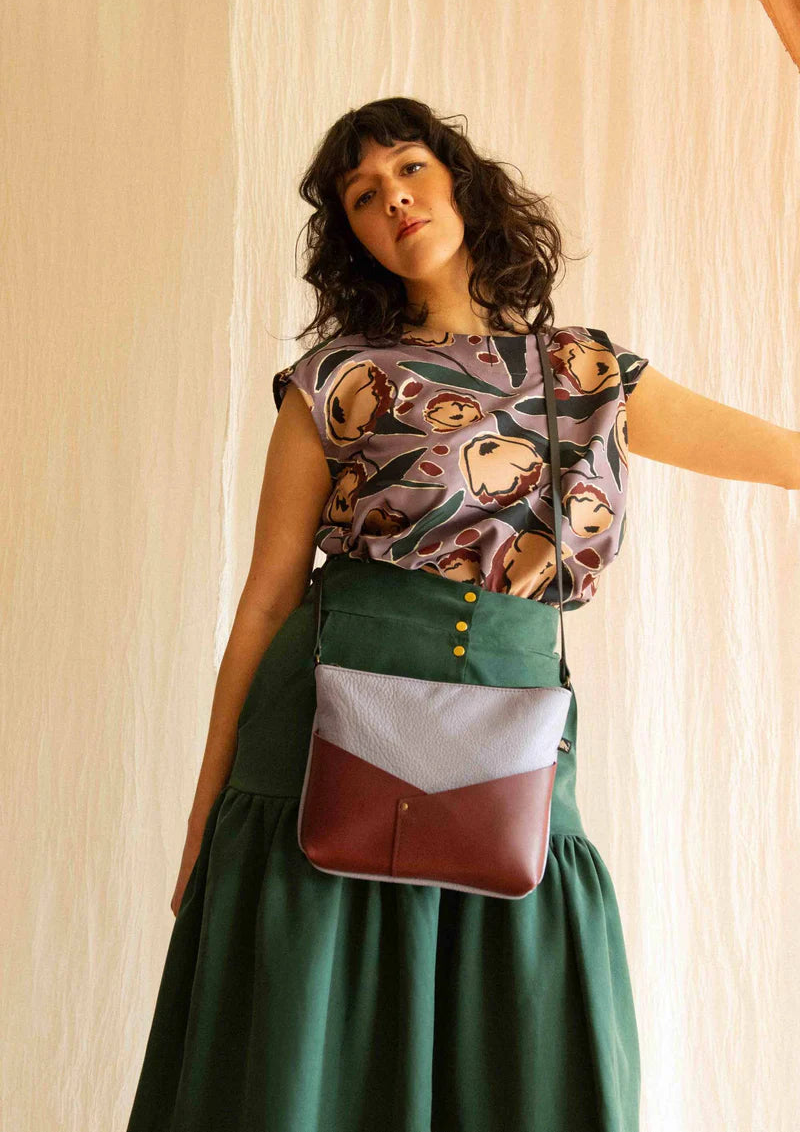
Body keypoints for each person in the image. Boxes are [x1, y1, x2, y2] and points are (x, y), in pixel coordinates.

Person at [124, 97, 800, 1132]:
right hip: (324, 731)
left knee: (529, 1038)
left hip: (509, 730)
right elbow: (265, 598)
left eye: (409, 168)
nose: (392, 198)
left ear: (459, 181)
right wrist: (202, 812)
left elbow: (783, 456)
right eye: (362, 194)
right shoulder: (337, 379)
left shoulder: (585, 373)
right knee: (306, 1049)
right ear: (352, 234)